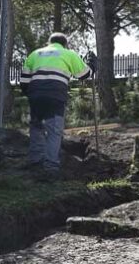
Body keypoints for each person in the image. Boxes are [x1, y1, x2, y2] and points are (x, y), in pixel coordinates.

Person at [19, 33, 92, 178]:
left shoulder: (35, 54)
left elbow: (24, 81)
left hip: (36, 94)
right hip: (55, 95)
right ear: (65, 44)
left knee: (36, 127)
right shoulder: (68, 54)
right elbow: (84, 74)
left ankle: (35, 161)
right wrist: (92, 65)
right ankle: (51, 167)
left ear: (48, 42)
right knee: (54, 131)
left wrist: (33, 96)